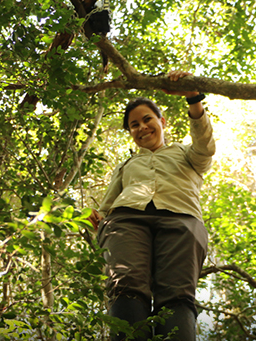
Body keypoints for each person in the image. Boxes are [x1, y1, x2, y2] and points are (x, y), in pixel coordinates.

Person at [88, 70, 215, 341]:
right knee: (126, 285)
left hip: (181, 220)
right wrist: (96, 219)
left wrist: (194, 97)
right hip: (126, 221)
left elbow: (205, 146)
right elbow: (107, 206)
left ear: (162, 121)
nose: (142, 127)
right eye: (134, 125)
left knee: (178, 295)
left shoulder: (186, 154)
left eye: (147, 119)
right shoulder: (127, 165)